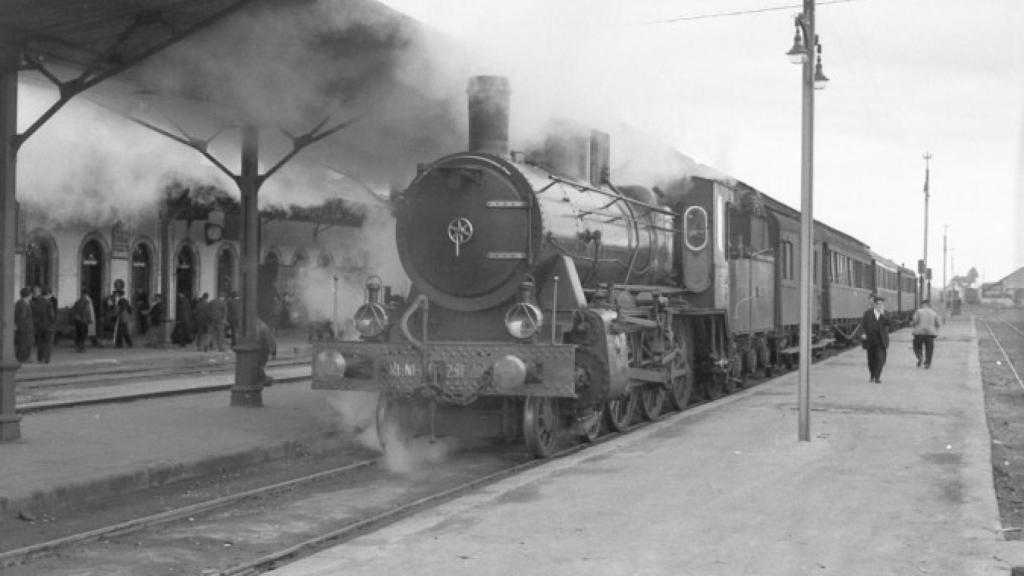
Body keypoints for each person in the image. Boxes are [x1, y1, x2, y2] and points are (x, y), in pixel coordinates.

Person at [860, 295, 890, 383]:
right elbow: (862, 325)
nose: (879, 305)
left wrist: (882, 315)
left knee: (880, 359)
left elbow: (890, 323)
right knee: (871, 360)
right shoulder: (867, 313)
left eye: (881, 304)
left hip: (881, 340)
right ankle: (872, 375)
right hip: (870, 340)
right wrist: (863, 333)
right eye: (877, 304)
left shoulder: (886, 313)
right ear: (874, 304)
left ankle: (877, 377)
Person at [911, 299, 941, 369]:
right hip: (930, 334)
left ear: (922, 304)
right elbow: (938, 324)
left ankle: (920, 356)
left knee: (917, 346)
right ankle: (927, 363)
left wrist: (913, 324)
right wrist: (934, 328)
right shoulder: (934, 313)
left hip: (919, 333)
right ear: (929, 305)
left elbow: (915, 321)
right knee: (929, 349)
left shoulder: (918, 311)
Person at [32, 285, 56, 363]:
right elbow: (51, 315)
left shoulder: (36, 302)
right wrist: (53, 322)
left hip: (39, 326)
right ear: (48, 294)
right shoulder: (49, 303)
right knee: (48, 343)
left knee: (40, 343)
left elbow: (34, 314)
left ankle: (40, 358)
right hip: (48, 326)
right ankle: (46, 359)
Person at [14, 287, 35, 363]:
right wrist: (24, 326)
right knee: (23, 344)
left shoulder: (23, 302)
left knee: (27, 343)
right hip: (24, 328)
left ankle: (25, 358)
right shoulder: (22, 304)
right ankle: (22, 359)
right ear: (29, 295)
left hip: (25, 327)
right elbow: (22, 317)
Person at [71, 286, 95, 353]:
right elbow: (87, 311)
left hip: (78, 320)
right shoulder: (86, 301)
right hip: (83, 320)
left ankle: (78, 347)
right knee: (83, 334)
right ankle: (81, 347)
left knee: (79, 334)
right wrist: (89, 319)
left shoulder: (78, 300)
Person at [256, 317, 277, 387]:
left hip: (262, 351)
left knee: (257, 366)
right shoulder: (259, 327)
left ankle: (266, 379)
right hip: (257, 351)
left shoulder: (263, 327)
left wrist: (273, 352)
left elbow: (271, 341)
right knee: (257, 367)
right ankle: (264, 379)